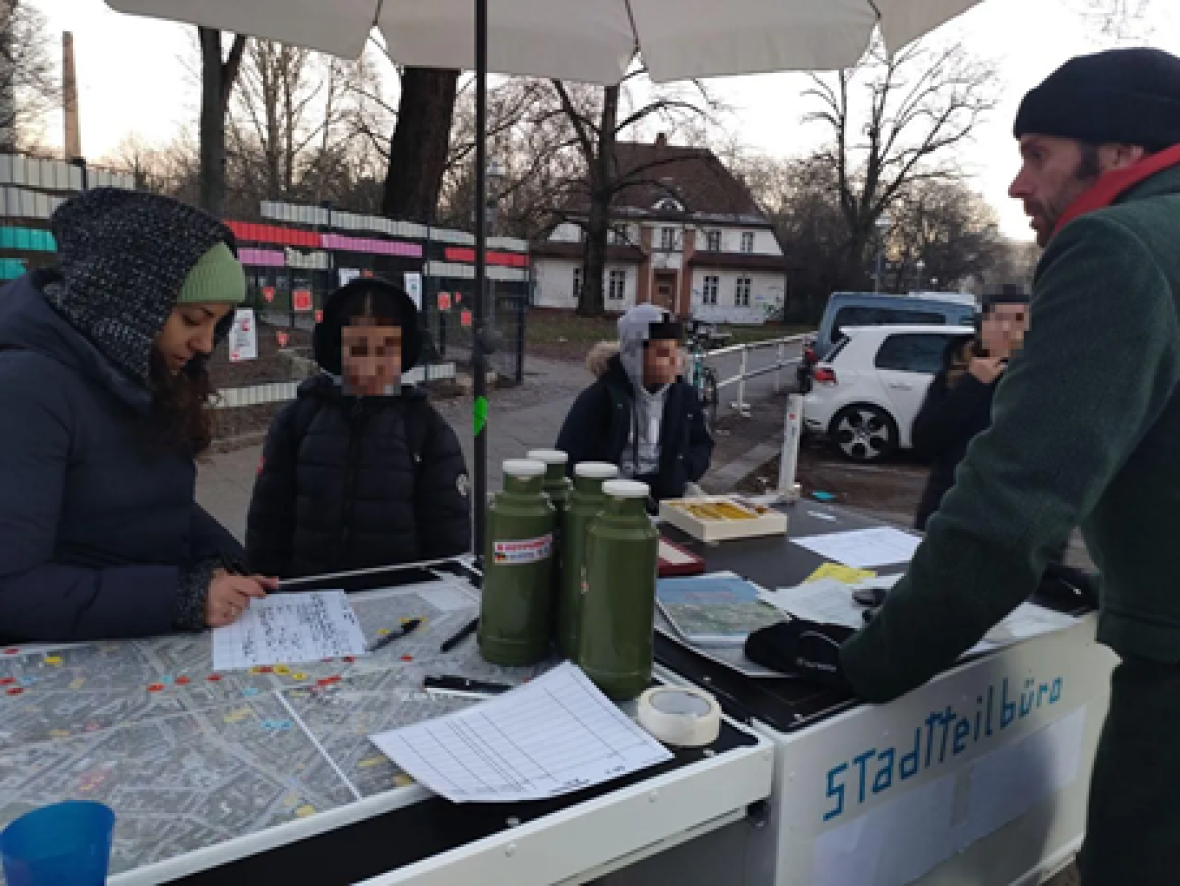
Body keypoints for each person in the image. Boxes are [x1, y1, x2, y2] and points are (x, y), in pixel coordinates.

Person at [746, 48, 1180, 883]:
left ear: (1122, 152)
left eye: (1036, 153)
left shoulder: (1117, 247)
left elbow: (1008, 510)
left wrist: (866, 661)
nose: (1019, 186)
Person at [0, 189, 274, 643]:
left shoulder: (138, 372)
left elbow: (150, 502)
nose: (206, 343)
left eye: (216, 325)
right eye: (192, 320)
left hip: (125, 640)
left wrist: (218, 558)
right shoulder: (26, 390)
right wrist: (179, 598)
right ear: (132, 304)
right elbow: (11, 589)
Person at [246, 277, 470, 578]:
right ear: (339, 345)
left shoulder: (425, 429)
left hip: (397, 605)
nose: (372, 362)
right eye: (360, 345)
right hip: (312, 595)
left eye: (384, 347)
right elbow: (268, 521)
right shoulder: (298, 420)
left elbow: (448, 532)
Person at [555, 303, 713, 502]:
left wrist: (684, 471)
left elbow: (701, 442)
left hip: (669, 496)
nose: (672, 359)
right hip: (613, 501)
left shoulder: (684, 396)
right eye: (661, 352)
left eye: (673, 349)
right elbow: (568, 456)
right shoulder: (601, 398)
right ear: (634, 352)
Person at [911, 291, 1030, 531]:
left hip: (1012, 522)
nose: (1007, 329)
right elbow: (924, 441)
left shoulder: (1038, 382)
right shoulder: (956, 376)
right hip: (948, 513)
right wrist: (972, 385)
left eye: (1018, 320)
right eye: (998, 319)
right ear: (982, 326)